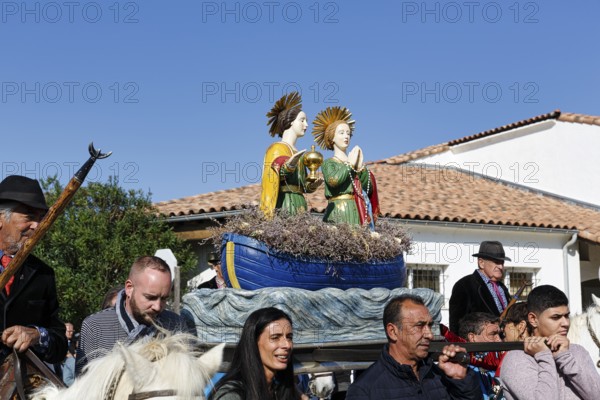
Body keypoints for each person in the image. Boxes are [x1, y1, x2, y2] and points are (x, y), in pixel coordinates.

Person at [345, 294, 482, 399]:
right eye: (419, 326)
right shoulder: (364, 390)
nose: (429, 335)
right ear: (393, 332)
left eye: (429, 325)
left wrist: (460, 380)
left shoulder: (437, 375)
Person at [75, 255, 195, 375]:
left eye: (164, 299)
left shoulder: (176, 325)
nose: (158, 306)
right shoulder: (95, 327)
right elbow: (82, 387)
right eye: (150, 297)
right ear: (129, 288)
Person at [0, 175, 67, 365]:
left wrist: (38, 335)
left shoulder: (43, 274)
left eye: (41, 218)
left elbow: (60, 344)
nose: (37, 225)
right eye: (29, 216)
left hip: (21, 386)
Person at [500, 285, 600, 399]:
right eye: (556, 317)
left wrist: (565, 359)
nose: (566, 323)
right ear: (533, 319)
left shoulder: (577, 351)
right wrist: (544, 356)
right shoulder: (517, 359)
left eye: (566, 316)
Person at [209, 307, 304, 400]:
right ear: (253, 343)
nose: (287, 345)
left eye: (289, 337)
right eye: (275, 337)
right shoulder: (232, 395)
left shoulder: (280, 389)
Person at [312, 106, 379, 227]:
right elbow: (334, 180)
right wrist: (350, 164)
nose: (346, 136)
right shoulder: (329, 163)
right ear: (332, 137)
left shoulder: (354, 163)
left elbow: (368, 189)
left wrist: (361, 169)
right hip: (337, 210)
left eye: (348, 133)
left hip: (355, 210)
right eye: (341, 133)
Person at [260, 92, 321, 218]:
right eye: (302, 120)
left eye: (306, 121)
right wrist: (289, 165)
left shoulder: (298, 153)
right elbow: (272, 176)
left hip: (300, 204)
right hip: (284, 202)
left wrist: (311, 185)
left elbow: (302, 185)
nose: (306, 125)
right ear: (291, 122)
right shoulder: (277, 148)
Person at [449, 241, 511, 334]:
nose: (500, 266)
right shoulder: (464, 285)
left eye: (502, 262)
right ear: (481, 262)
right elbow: (456, 324)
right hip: (478, 346)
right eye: (496, 262)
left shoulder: (502, 287)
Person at [458, 313, 503, 399]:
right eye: (492, 334)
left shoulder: (500, 360)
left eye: (499, 334)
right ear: (472, 337)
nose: (499, 340)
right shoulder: (460, 368)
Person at [61, 322, 77, 386]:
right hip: (62, 362)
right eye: (69, 331)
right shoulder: (60, 340)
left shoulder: (73, 340)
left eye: (72, 331)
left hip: (70, 362)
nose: (71, 333)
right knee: (71, 360)